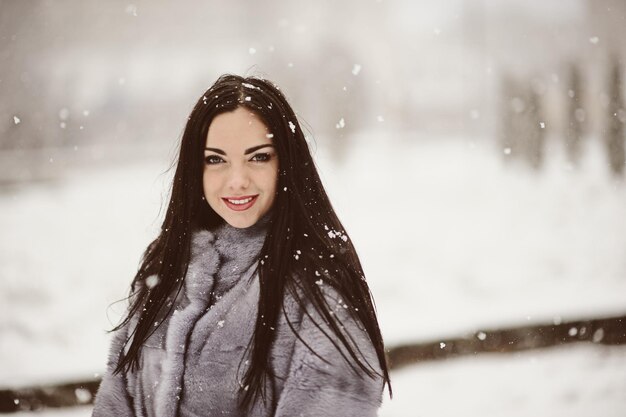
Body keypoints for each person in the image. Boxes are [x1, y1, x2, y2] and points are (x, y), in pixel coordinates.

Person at [92, 74, 391, 417]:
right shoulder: (168, 265)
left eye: (258, 157)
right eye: (216, 159)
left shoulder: (318, 288)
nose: (237, 180)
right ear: (196, 168)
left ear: (285, 165)